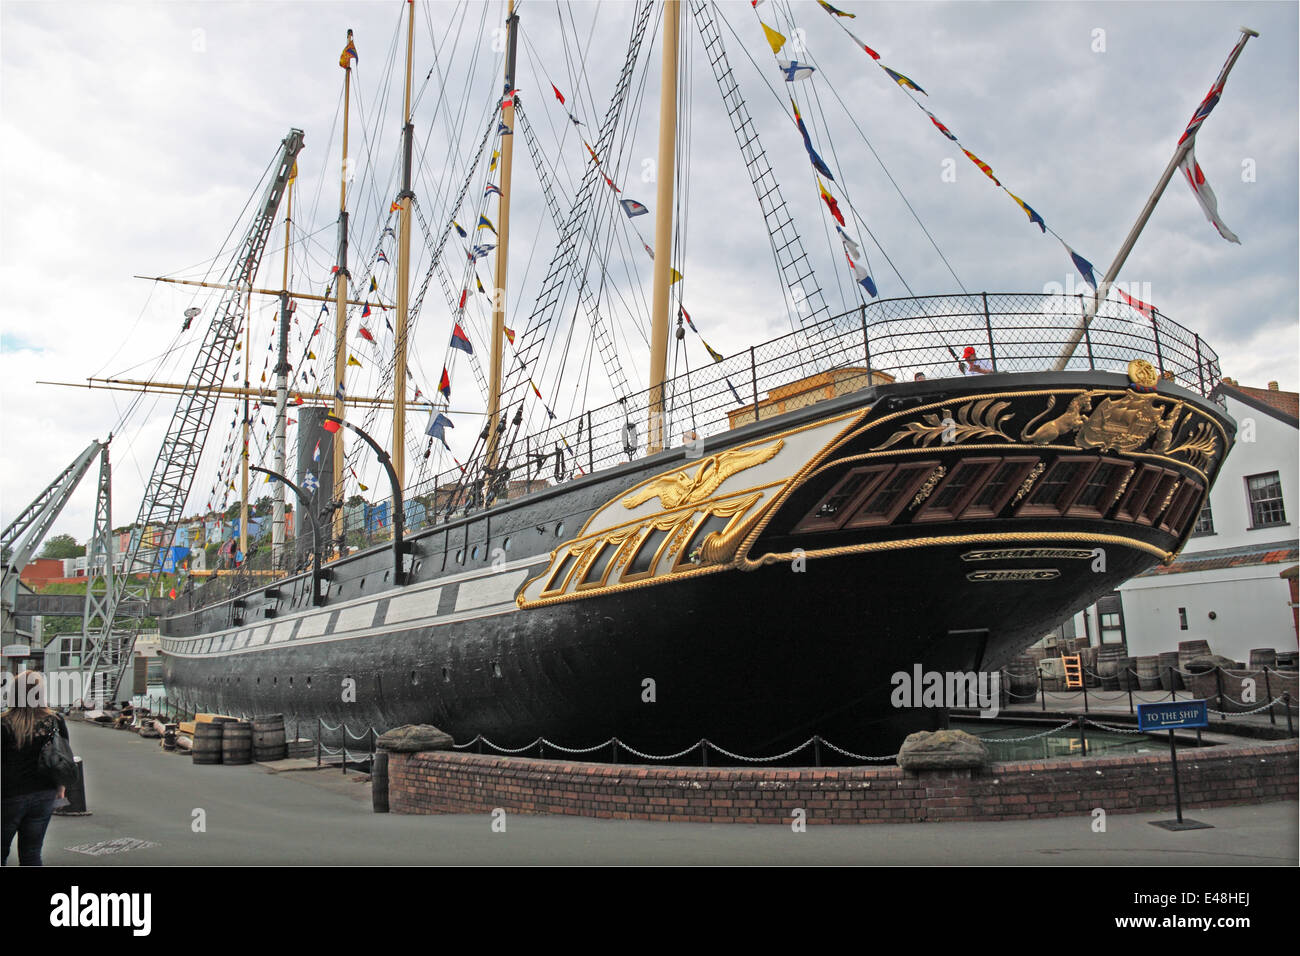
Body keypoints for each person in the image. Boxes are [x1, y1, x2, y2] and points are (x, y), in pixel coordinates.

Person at [2, 671, 69, 866]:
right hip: (43, 793)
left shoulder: (4, 723)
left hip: (8, 795)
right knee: (31, 853)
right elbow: (62, 756)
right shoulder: (54, 721)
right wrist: (61, 786)